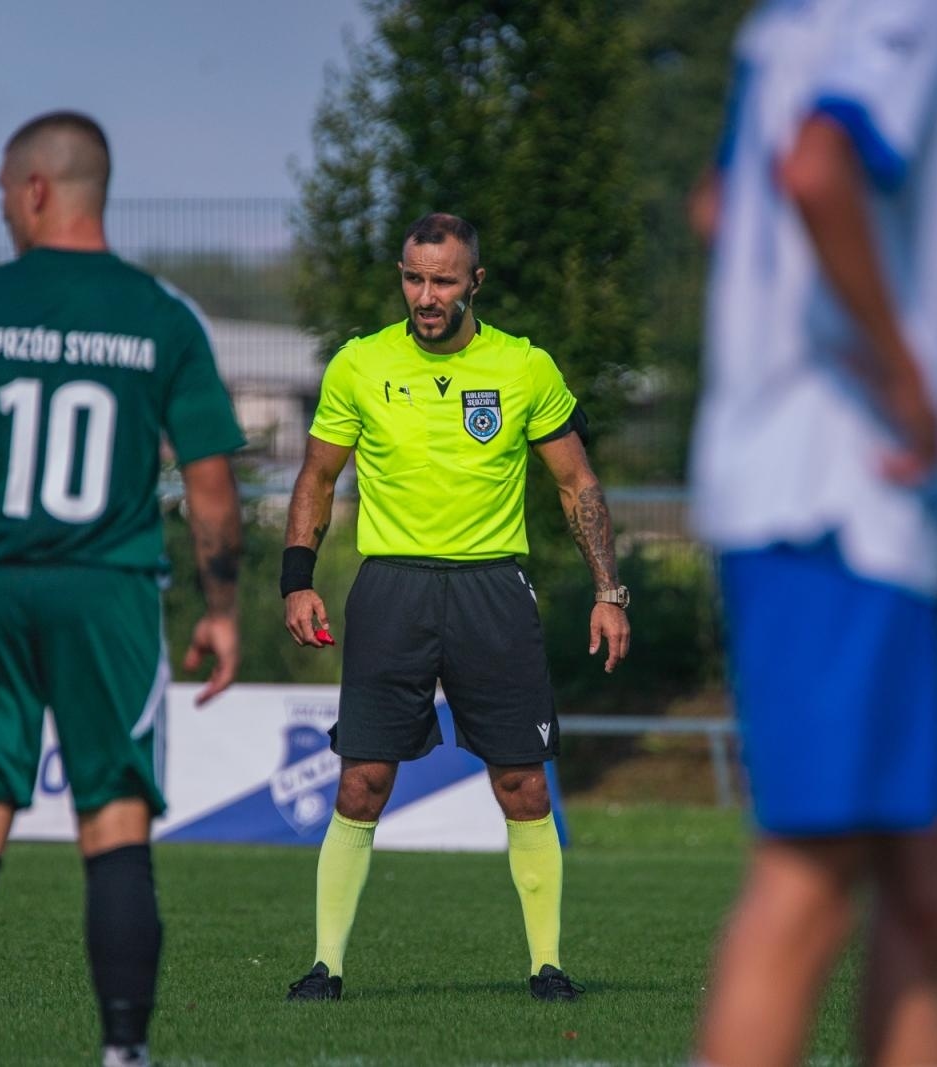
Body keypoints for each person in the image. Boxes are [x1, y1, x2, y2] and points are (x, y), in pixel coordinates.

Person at [0, 111, 246, 1067]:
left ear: (37, 189)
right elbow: (211, 483)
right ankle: (123, 1052)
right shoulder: (161, 313)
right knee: (115, 821)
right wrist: (221, 607)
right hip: (111, 594)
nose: (3, 205)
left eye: (6, 189)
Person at [687, 0, 937, 1064]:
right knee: (807, 884)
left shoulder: (783, 22)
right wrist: (905, 378)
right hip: (838, 497)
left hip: (808, 488)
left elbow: (721, 205)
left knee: (925, 884)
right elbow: (815, 170)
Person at [280, 212, 630, 1003]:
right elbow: (314, 477)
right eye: (413, 277)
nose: (425, 295)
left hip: (491, 591)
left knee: (524, 786)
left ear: (475, 281)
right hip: (392, 587)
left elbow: (579, 484)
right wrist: (296, 579)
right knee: (362, 780)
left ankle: (548, 965)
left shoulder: (523, 366)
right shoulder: (360, 363)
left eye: (442, 280)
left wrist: (610, 592)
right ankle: (325, 965)